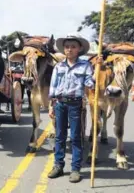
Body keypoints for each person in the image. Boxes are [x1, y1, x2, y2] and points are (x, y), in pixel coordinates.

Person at [47, 34, 103, 183]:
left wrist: (98, 68)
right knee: (59, 136)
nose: (69, 49)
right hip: (59, 104)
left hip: (76, 104)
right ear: (64, 50)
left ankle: (75, 169)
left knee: (76, 138)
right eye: (67, 47)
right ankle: (58, 166)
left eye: (73, 47)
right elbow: (53, 87)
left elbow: (90, 84)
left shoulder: (85, 66)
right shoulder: (58, 66)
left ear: (79, 49)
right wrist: (51, 106)